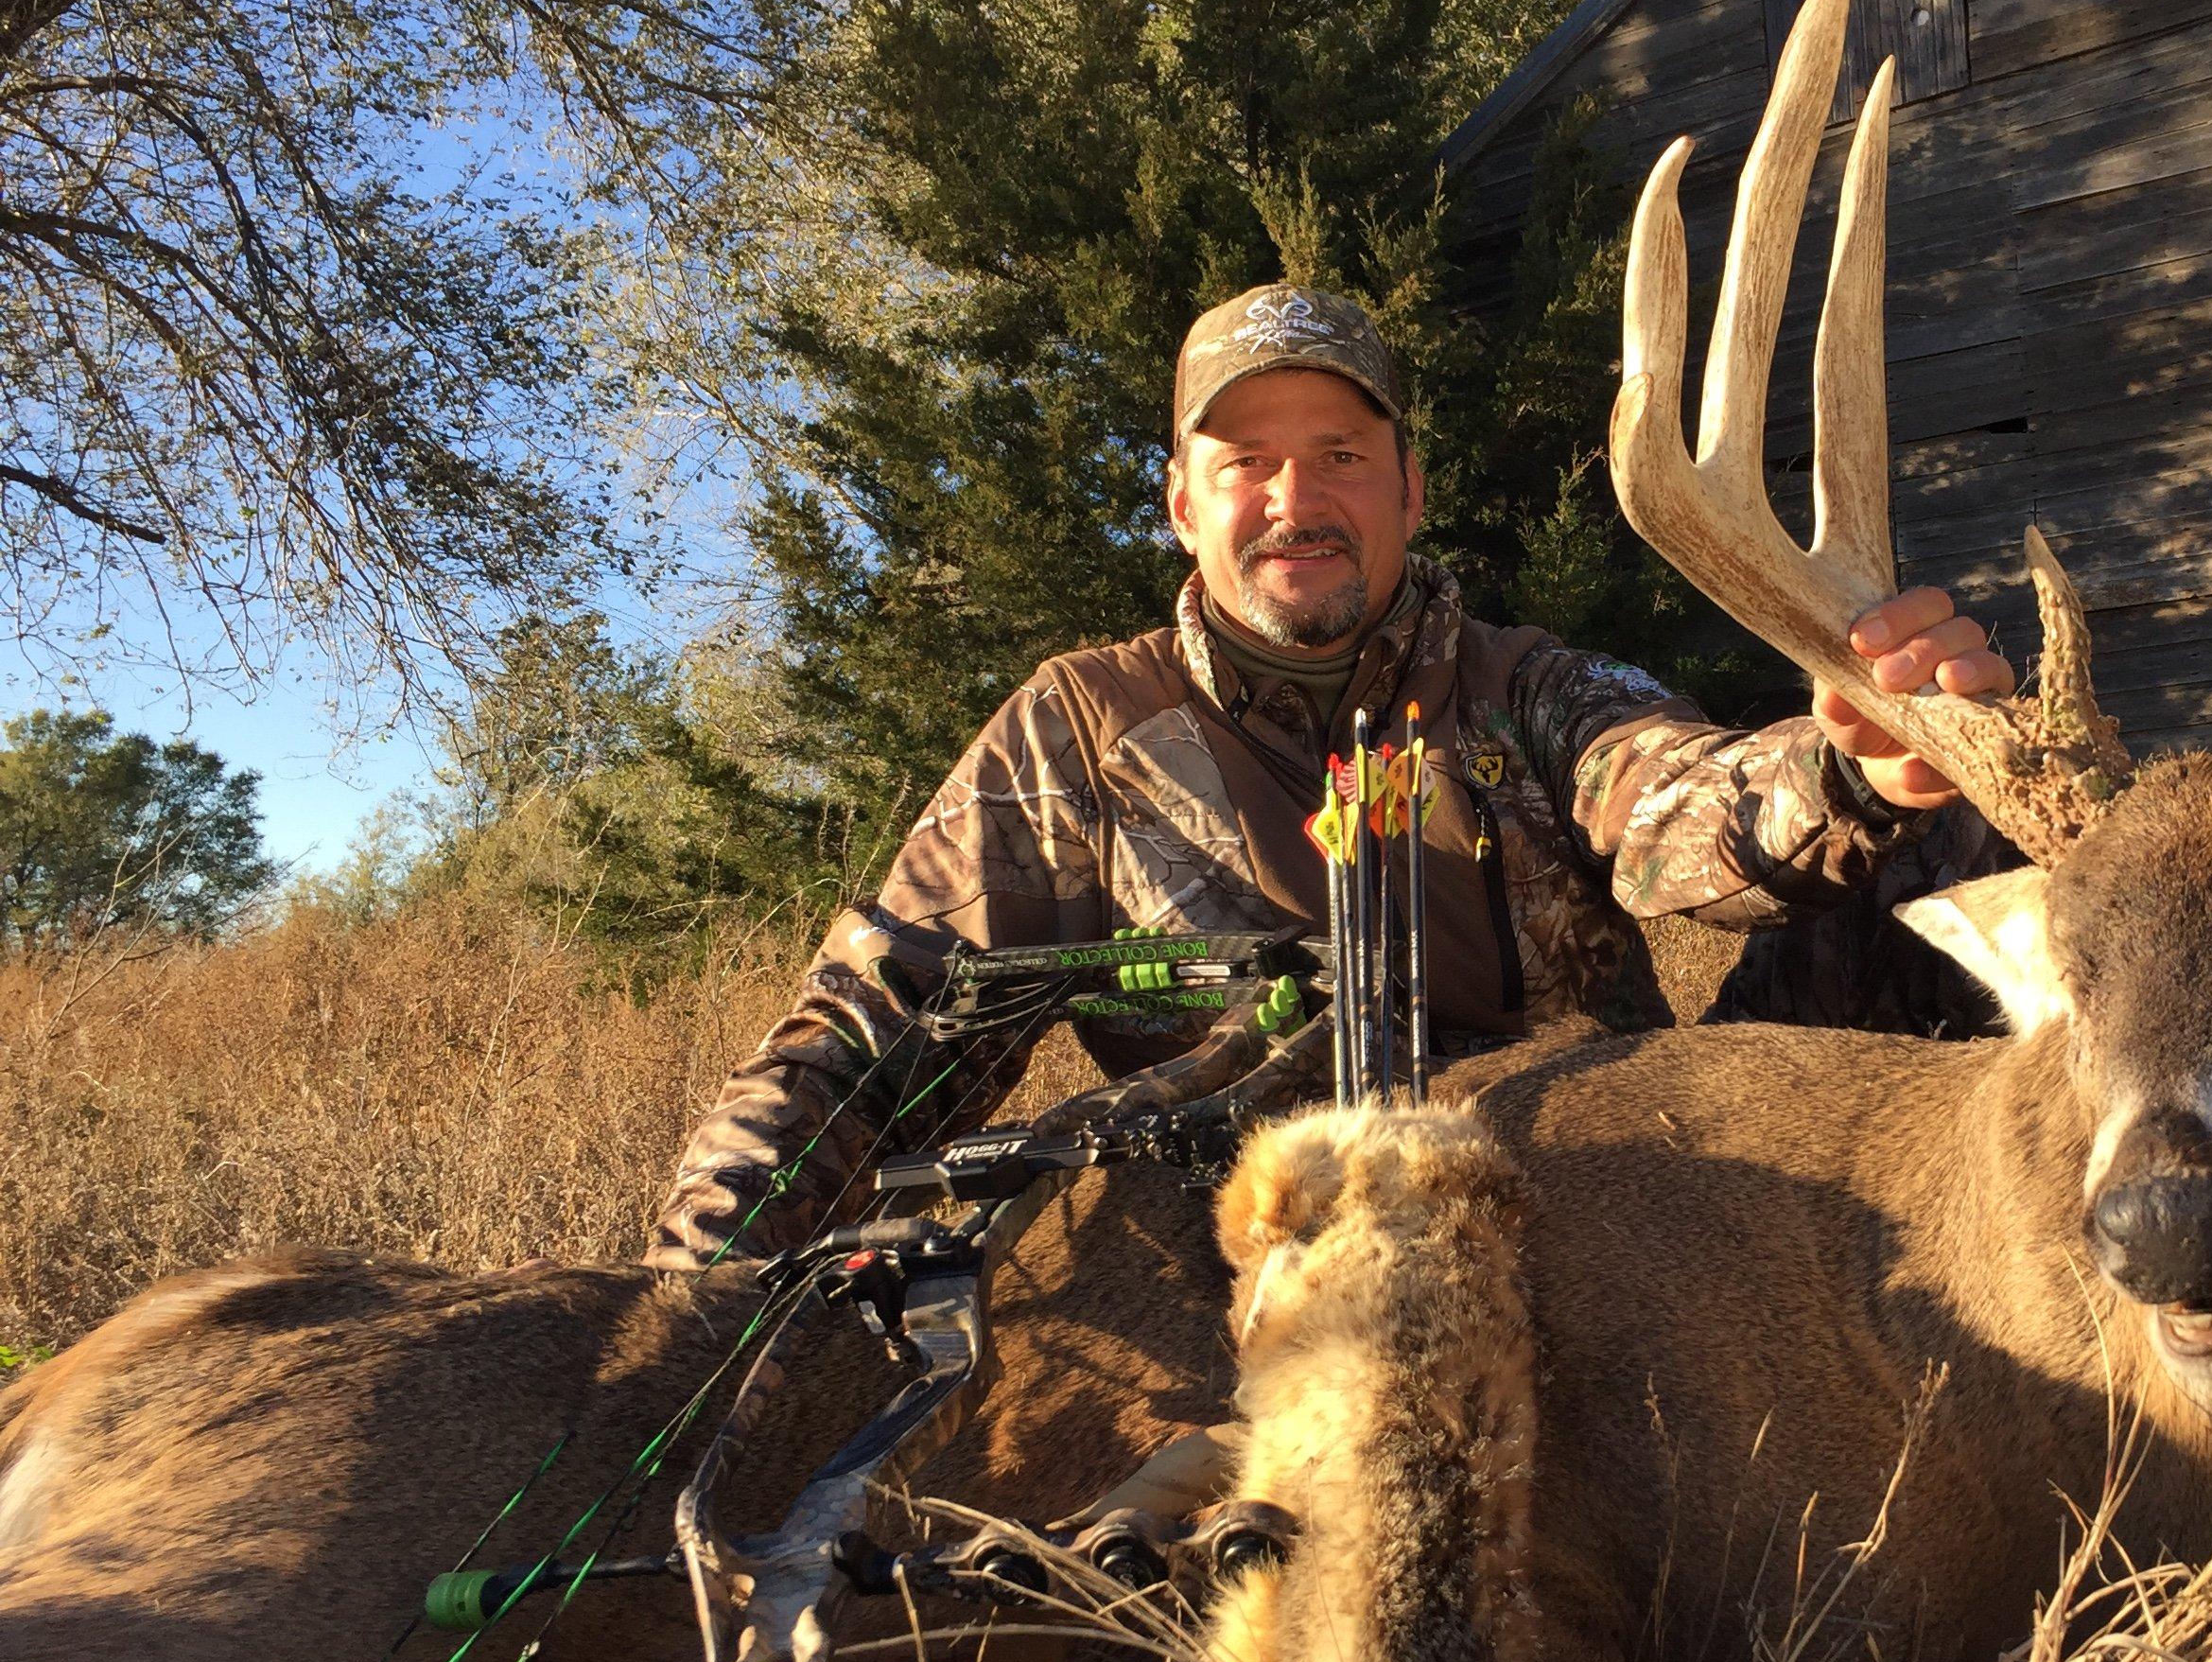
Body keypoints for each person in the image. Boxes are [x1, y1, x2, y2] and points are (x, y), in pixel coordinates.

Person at [641, 285, 2014, 1272]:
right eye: (1249, 463)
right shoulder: (1079, 728)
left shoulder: (1525, 686)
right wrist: (683, 1299)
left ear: (1409, 493)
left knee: (1944, 851)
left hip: (1601, 1212)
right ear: (1183, 504)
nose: (1296, 500)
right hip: (1253, 1253)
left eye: (1342, 458)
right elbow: (872, 1034)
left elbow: (1679, 805)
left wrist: (1855, 768)